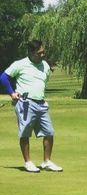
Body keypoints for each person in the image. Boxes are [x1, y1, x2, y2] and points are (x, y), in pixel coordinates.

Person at [0, 40, 63, 173]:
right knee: (25, 133)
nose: (42, 54)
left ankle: (47, 161)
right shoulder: (20, 64)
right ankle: (28, 162)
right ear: (31, 52)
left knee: (49, 132)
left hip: (41, 103)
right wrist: (12, 93)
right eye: (39, 53)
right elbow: (4, 77)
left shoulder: (45, 65)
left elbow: (43, 81)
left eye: (43, 52)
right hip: (25, 103)